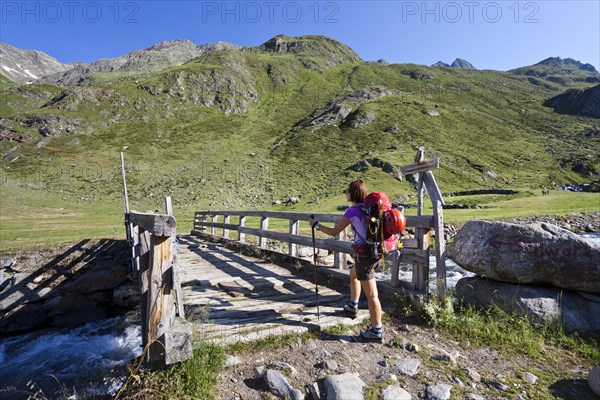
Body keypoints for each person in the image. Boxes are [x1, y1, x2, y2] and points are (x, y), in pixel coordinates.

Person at [308, 179, 385, 343]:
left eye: (347, 190)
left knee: (372, 295)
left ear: (353, 193)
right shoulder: (369, 209)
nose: (346, 193)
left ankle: (376, 331)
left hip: (365, 256)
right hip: (376, 252)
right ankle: (353, 305)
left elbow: (334, 231)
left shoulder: (352, 212)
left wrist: (316, 226)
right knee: (353, 274)